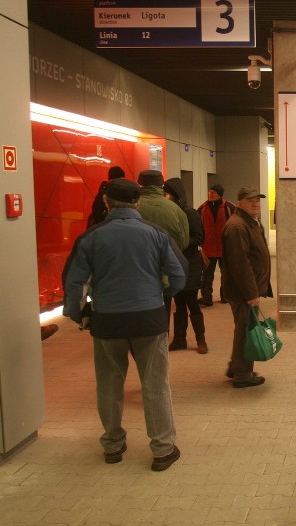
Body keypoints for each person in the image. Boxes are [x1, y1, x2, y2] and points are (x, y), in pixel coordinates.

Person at [61, 178, 186, 471]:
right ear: (137, 202)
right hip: (149, 320)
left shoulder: (91, 237)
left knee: (109, 384)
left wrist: (79, 314)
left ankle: (113, 445)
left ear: (107, 202)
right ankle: (162, 449)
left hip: (107, 322)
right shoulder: (155, 233)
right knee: (155, 386)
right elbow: (177, 276)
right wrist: (159, 295)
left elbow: (75, 283)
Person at [221, 186, 273, 388]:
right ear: (240, 202)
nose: (255, 203)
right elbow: (240, 264)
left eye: (258, 200)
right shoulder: (238, 227)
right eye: (250, 200)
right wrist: (251, 294)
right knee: (245, 331)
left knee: (244, 328)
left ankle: (236, 366)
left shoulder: (249, 223)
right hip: (242, 291)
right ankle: (242, 374)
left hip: (246, 290)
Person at [163, 178, 207, 354]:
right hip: (175, 264)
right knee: (179, 303)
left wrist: (179, 244)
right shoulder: (170, 212)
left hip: (190, 264)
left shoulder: (191, 213)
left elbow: (199, 238)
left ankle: (201, 340)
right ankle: (179, 339)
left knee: (192, 302)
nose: (166, 197)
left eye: (168, 194)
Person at [198, 184, 236, 307]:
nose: (210, 194)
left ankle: (226, 296)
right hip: (208, 247)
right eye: (209, 191)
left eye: (213, 192)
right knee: (207, 276)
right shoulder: (203, 208)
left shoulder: (229, 207)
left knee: (226, 274)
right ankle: (207, 298)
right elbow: (198, 226)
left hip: (225, 248)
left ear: (220, 194)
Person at [136, 170, 190, 251]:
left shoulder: (131, 207)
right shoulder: (176, 209)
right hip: (169, 259)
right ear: (162, 185)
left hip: (140, 260)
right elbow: (184, 242)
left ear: (139, 184)